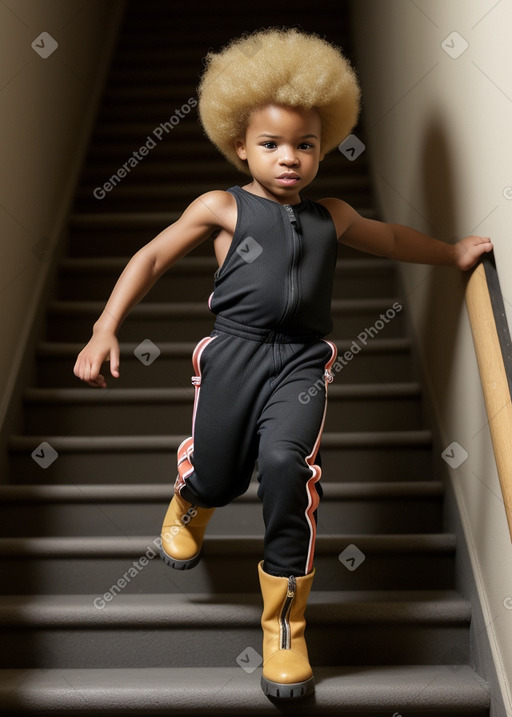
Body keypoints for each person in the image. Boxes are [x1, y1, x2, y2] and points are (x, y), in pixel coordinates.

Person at [73, 27, 493, 700]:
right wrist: (104, 327)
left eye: (306, 145)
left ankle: (285, 628)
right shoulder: (221, 206)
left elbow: (389, 237)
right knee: (217, 466)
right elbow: (150, 256)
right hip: (233, 354)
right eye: (271, 145)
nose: (290, 158)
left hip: (301, 364)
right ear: (240, 146)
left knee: (285, 469)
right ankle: (191, 500)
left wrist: (450, 254)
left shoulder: (333, 214)